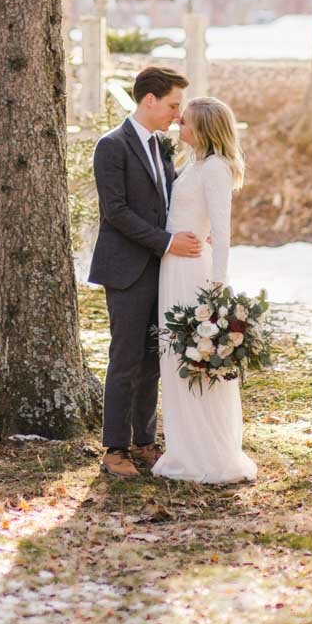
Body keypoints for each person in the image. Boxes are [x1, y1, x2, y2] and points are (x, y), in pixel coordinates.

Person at [88, 64, 202, 480]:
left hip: (161, 270)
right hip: (126, 270)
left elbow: (168, 205)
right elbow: (115, 212)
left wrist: (191, 235)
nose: (177, 114)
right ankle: (114, 449)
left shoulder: (161, 147)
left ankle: (143, 441)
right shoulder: (111, 146)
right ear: (149, 100)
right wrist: (167, 242)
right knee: (125, 359)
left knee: (153, 360)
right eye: (173, 105)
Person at [152, 95, 258, 485]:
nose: (179, 126)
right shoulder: (193, 164)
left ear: (204, 130)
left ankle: (207, 453)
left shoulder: (215, 168)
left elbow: (223, 232)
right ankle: (184, 446)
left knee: (194, 360)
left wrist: (217, 287)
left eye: (186, 123)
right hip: (172, 267)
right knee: (174, 361)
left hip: (194, 271)